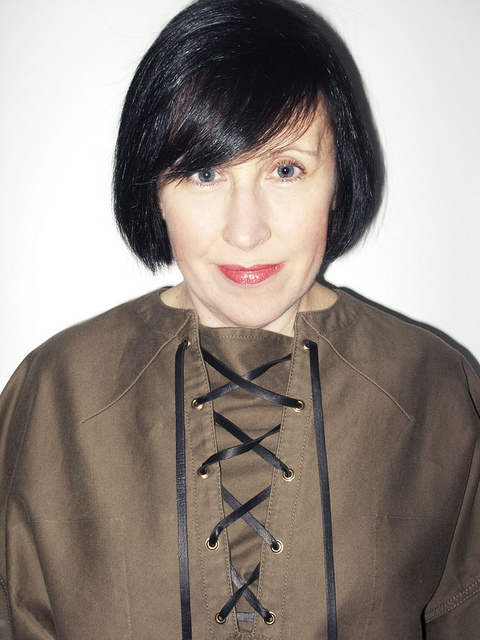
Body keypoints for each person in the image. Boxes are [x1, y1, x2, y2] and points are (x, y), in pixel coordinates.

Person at [0, 0, 478, 638]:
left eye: (285, 169)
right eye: (205, 172)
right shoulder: (56, 393)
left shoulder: (434, 390)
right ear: (154, 189)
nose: (246, 232)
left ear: (339, 179)